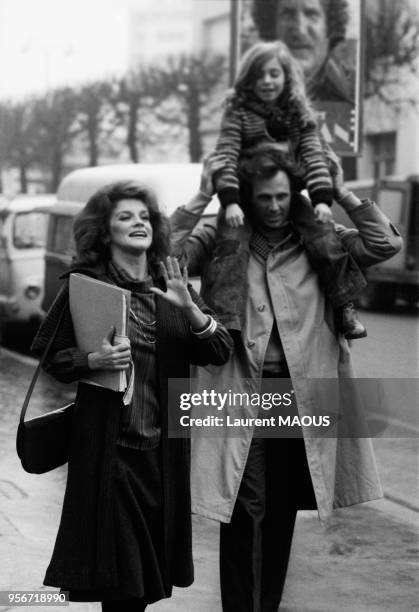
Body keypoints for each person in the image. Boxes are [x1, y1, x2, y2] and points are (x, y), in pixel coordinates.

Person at [170, 151, 402, 611]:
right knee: (239, 507)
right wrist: (202, 195)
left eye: (282, 196)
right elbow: (169, 256)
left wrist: (337, 191)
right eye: (264, 198)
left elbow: (384, 244)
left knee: (279, 512)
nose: (274, 206)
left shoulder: (320, 236)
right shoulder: (222, 234)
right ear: (247, 199)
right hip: (236, 392)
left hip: (300, 396)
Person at [30, 181, 233, 611]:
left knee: (143, 583)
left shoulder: (170, 282)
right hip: (109, 455)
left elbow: (218, 351)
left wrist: (191, 310)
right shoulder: (85, 285)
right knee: (123, 583)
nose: (138, 223)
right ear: (105, 232)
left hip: (162, 457)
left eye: (144, 217)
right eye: (125, 217)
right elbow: (50, 355)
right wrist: (94, 359)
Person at [213, 40, 367, 339]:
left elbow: (313, 156)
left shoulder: (299, 113)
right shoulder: (238, 113)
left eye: (273, 74)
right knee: (230, 248)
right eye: (259, 75)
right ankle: (226, 320)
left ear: (286, 78)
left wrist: (321, 198)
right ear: (249, 78)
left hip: (287, 193)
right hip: (244, 197)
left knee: (325, 238)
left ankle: (344, 305)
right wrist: (230, 201)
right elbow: (226, 156)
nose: (267, 81)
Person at [252, 0, 355, 103]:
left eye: (311, 14)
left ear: (330, 25)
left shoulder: (355, 91)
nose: (300, 31)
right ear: (271, 27)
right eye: (288, 14)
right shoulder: (247, 89)